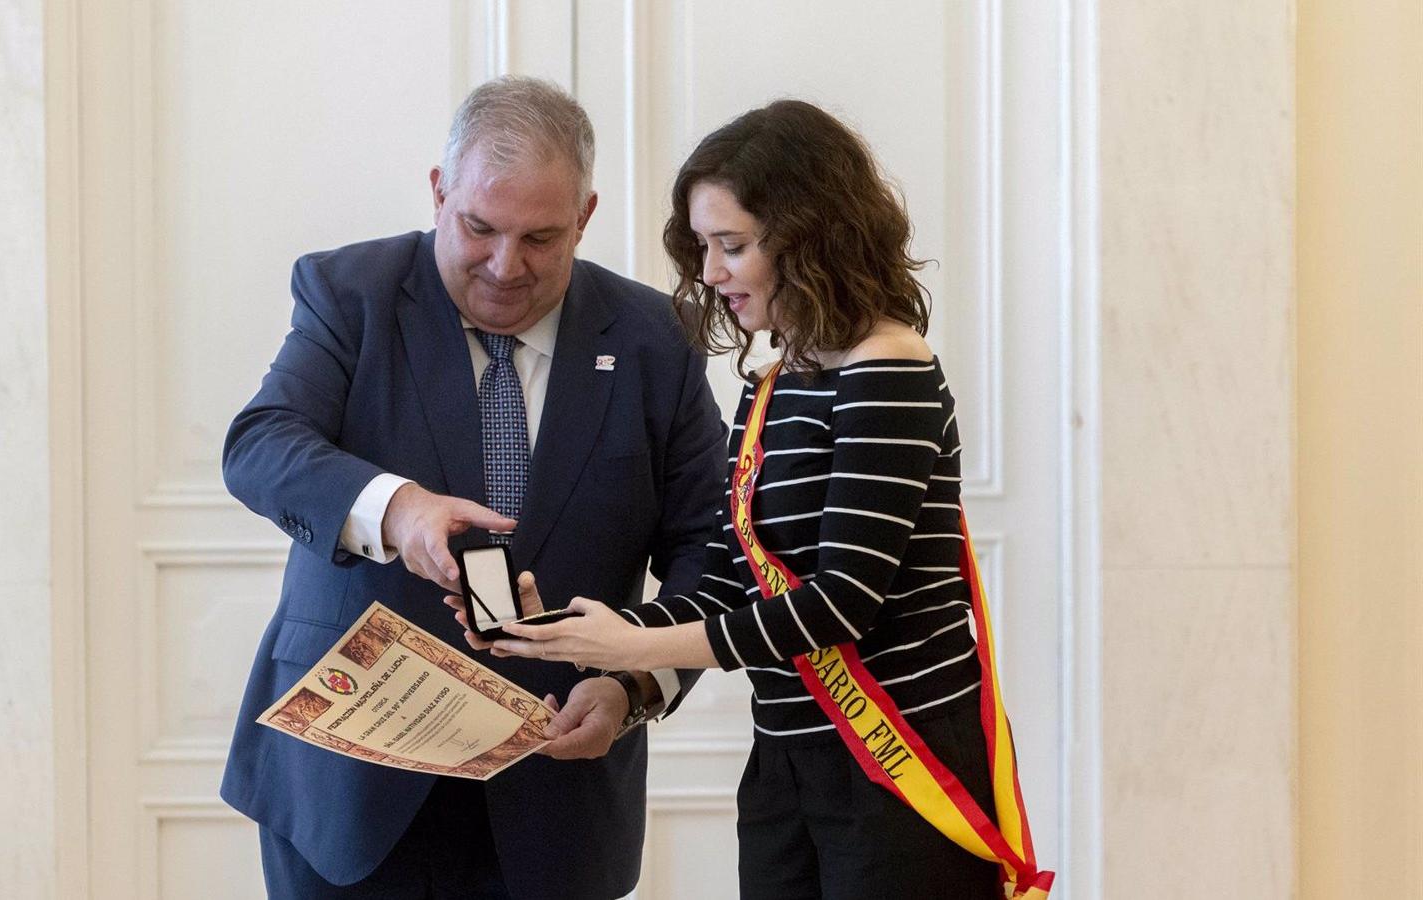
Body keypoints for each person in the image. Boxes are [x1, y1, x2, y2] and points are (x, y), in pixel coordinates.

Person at [456, 100, 1051, 899]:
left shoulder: (890, 369)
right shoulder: (775, 382)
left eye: (732, 246)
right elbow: (733, 583)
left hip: (900, 762)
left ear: (809, 239)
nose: (709, 273)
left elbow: (842, 603)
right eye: (703, 247)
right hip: (786, 762)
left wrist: (634, 650)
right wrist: (576, 634)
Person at [219, 76, 727, 900]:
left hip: (555, 794)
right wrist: (397, 508)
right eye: (480, 228)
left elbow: (713, 542)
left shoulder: (651, 340)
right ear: (438, 192)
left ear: (586, 218)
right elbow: (261, 444)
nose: (504, 265)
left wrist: (634, 682)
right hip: (352, 787)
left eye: (540, 239)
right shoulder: (352, 295)